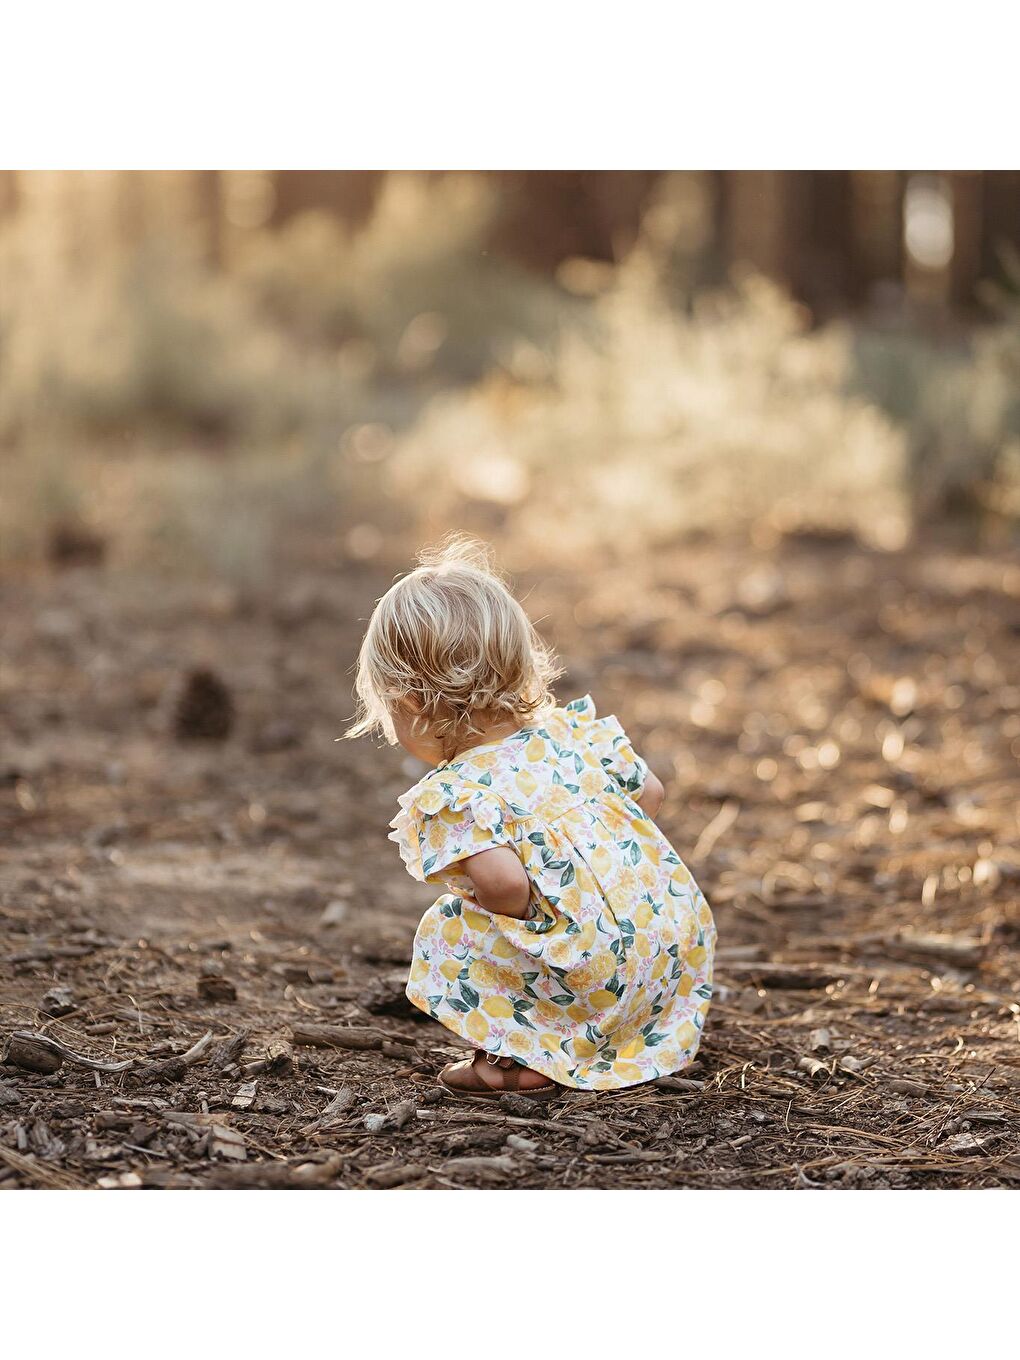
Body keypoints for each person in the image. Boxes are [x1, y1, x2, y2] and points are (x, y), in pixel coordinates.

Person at [346, 536, 716, 1098]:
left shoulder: (460, 792)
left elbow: (504, 885)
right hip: (671, 940)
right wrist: (603, 859)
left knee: (455, 927)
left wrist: (514, 909)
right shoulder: (574, 734)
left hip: (594, 970)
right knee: (582, 926)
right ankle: (637, 1041)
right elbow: (653, 794)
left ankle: (517, 1057)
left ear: (414, 705)